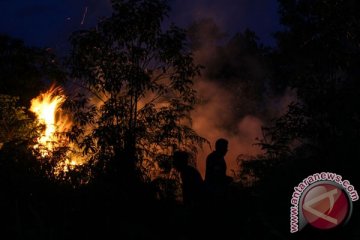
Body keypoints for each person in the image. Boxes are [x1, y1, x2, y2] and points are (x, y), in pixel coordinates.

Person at [204, 138, 233, 204]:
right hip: (213, 190)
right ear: (220, 148)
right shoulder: (214, 158)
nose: (226, 150)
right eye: (225, 148)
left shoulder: (219, 157)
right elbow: (216, 175)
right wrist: (227, 179)